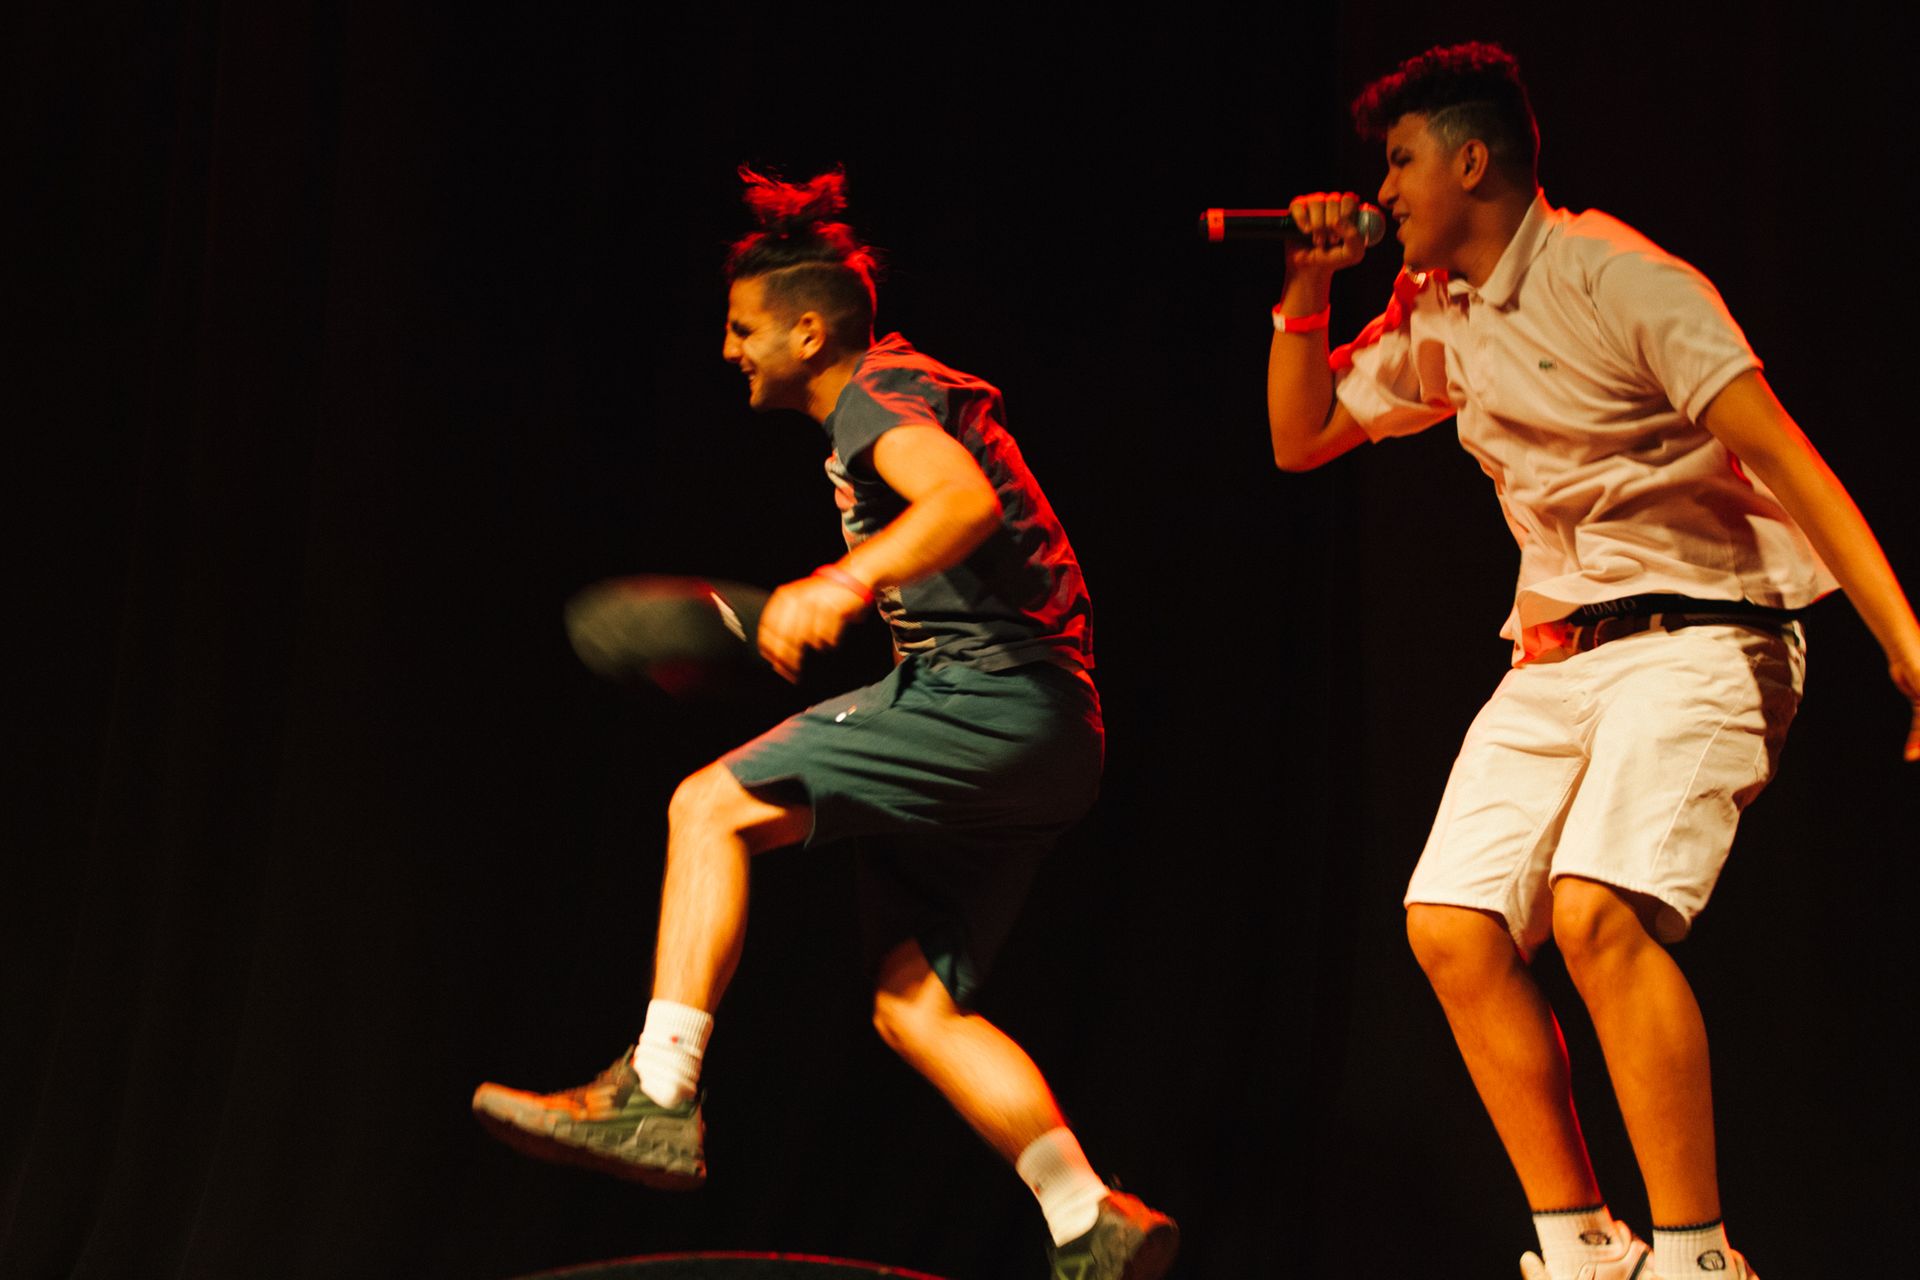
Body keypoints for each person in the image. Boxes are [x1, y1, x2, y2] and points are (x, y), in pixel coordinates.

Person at [1263, 41, 1920, 1280]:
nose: (1385, 190)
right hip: (1554, 654)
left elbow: (1787, 455)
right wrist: (1307, 284)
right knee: (1451, 925)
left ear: (1472, 159)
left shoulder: (1623, 277)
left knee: (1594, 913)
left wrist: (1907, 639)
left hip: (1704, 634)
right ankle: (1580, 1245)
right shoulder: (1436, 315)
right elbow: (1302, 435)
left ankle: (1696, 1255)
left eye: (1401, 161)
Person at [472, 168, 1178, 1280]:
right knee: (914, 999)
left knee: (706, 807)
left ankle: (656, 1089)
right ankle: (1089, 1213)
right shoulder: (905, 386)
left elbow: (960, 502)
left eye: (744, 329)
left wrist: (841, 584)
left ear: (808, 329)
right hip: (1051, 737)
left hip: (989, 698)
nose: (729, 351)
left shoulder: (876, 400)